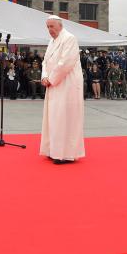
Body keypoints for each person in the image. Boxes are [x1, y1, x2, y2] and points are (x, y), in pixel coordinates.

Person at [40, 15, 85, 164]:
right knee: (53, 118)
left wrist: (51, 79)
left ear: (60, 26)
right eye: (47, 27)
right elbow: (45, 61)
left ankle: (66, 154)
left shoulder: (70, 38)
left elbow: (65, 63)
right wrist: (44, 76)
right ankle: (53, 150)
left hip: (67, 84)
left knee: (64, 118)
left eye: (51, 26)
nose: (49, 30)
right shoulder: (51, 41)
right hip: (53, 83)